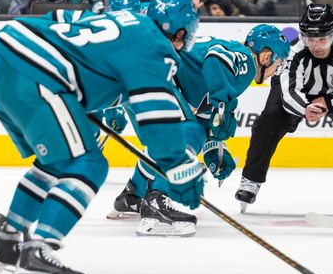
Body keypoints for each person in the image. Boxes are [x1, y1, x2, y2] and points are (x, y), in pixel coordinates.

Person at [0, 0, 205, 274]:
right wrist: (177, 164)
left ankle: (6, 244)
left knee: (54, 163)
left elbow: (59, 21)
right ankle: (39, 254)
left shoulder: (123, 21)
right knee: (89, 163)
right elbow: (156, 113)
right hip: (33, 75)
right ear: (179, 33)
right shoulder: (156, 45)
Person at [110, 21, 290, 229]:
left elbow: (204, 115)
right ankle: (157, 199)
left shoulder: (237, 61)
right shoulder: (248, 62)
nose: (276, 71)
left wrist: (213, 147)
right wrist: (223, 103)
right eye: (279, 63)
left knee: (178, 137)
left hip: (140, 75)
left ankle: (132, 196)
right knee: (186, 132)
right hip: (157, 76)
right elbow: (216, 59)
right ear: (267, 57)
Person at [238, 4, 333, 210]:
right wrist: (305, 108)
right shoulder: (293, 52)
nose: (315, 45)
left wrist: (329, 102)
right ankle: (250, 181)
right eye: (309, 39)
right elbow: (288, 93)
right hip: (298, 94)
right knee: (268, 121)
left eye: (321, 39)